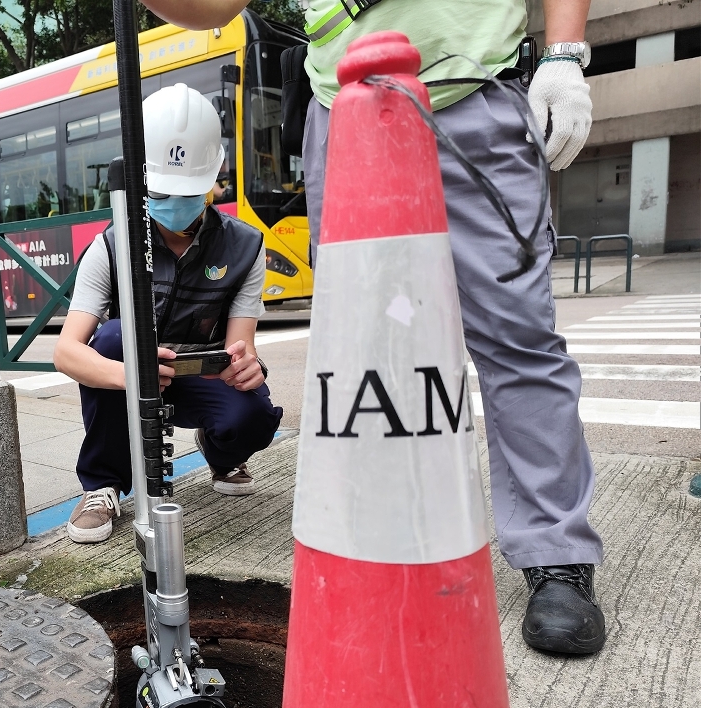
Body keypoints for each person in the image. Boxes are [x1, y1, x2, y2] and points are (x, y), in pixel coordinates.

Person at [139, 0, 606, 655]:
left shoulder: (234, 245)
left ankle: (555, 552)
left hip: (469, 90)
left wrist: (563, 53)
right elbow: (216, 5)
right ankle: (391, 530)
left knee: (517, 338)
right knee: (371, 352)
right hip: (345, 118)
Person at [53, 83, 283, 544]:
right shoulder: (111, 244)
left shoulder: (245, 246)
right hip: (128, 378)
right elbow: (66, 352)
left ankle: (221, 452)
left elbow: (241, 346)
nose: (175, 204)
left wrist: (246, 366)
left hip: (199, 376)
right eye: (161, 191)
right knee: (112, 337)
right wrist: (130, 376)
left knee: (254, 416)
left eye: (188, 191)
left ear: (213, 180)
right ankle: (102, 485)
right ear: (139, 180)